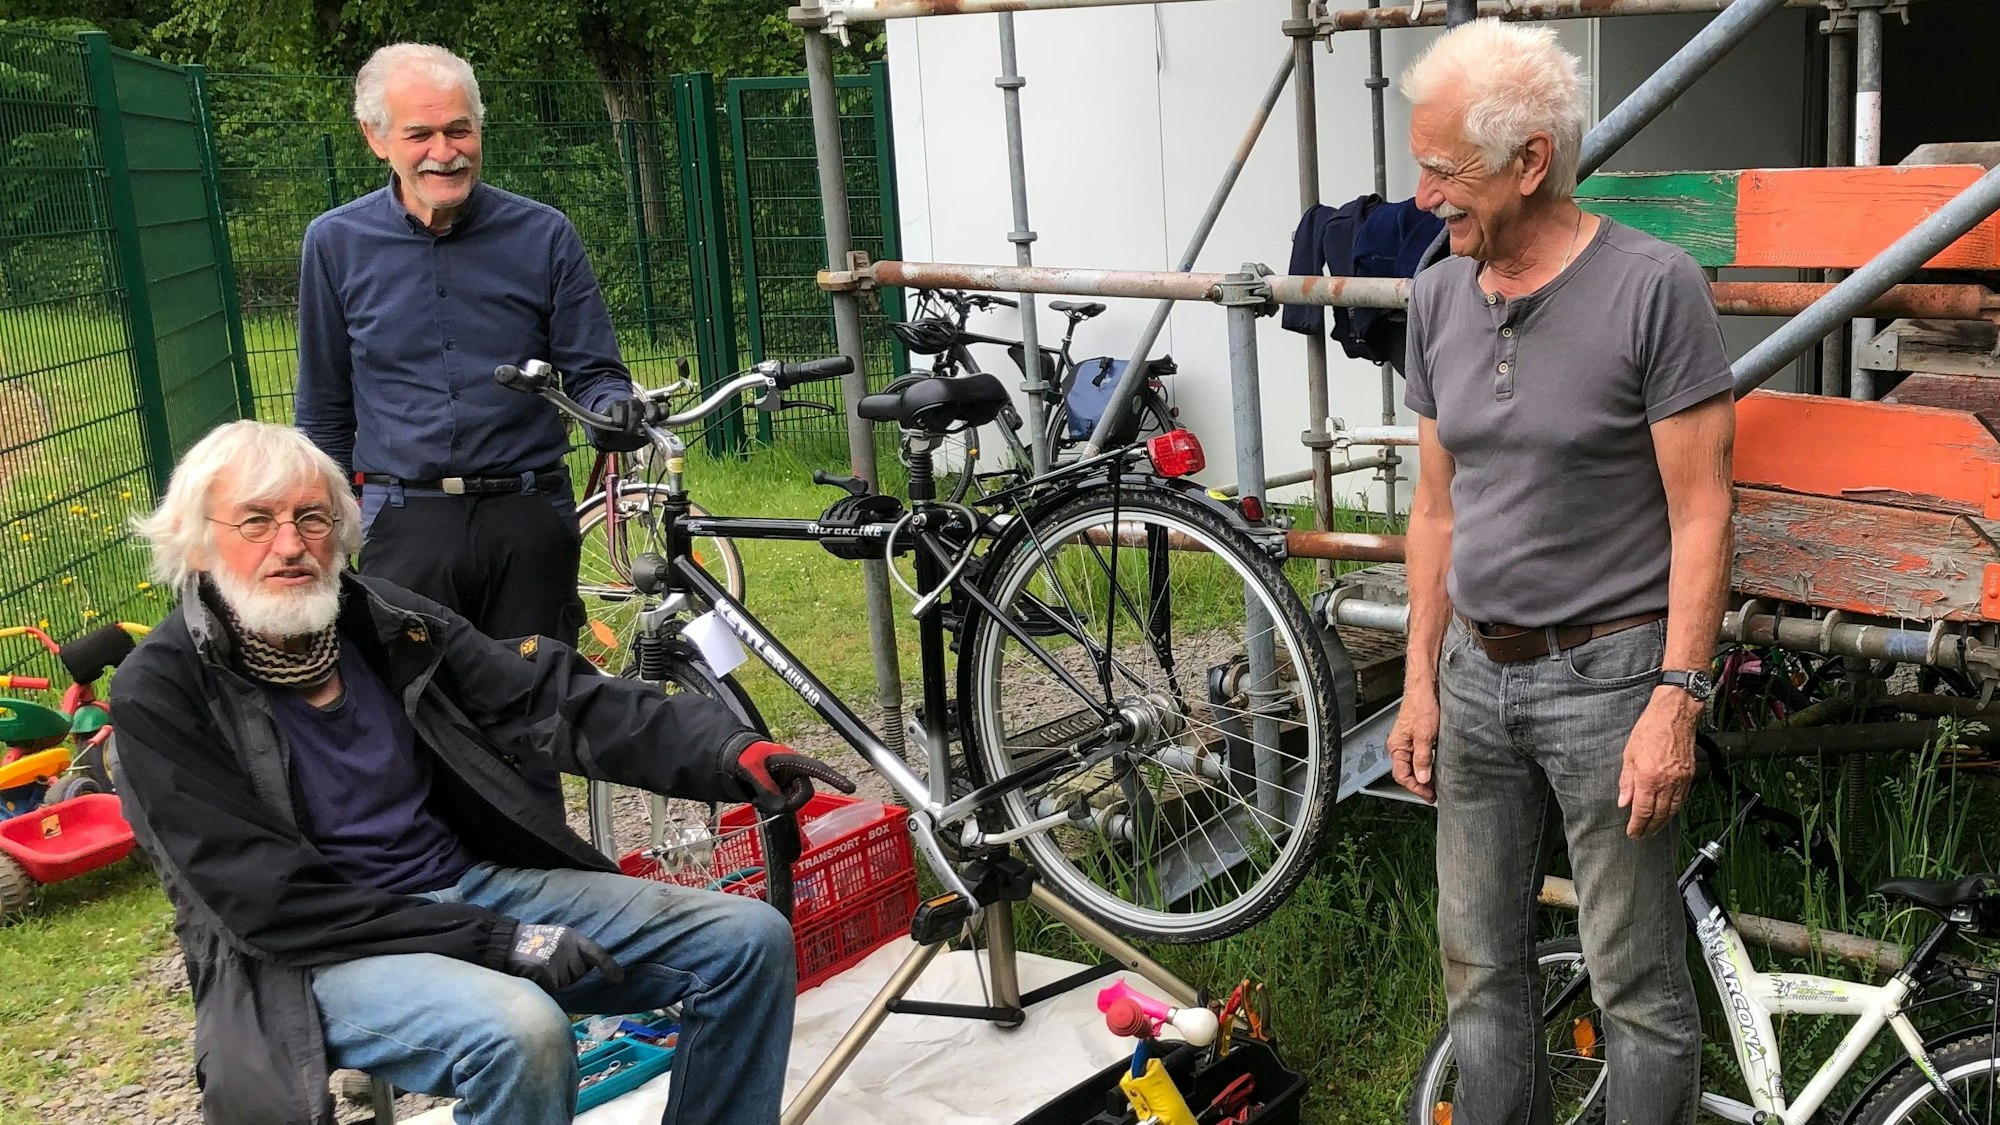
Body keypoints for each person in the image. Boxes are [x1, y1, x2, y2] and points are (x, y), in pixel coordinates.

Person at [112, 420, 851, 1125]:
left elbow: (545, 695)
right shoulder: (163, 689)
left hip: (467, 886)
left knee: (746, 940)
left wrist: (723, 751)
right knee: (522, 1030)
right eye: (256, 521)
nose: (291, 544)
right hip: (314, 951)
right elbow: (269, 902)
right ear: (198, 542)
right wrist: (498, 940)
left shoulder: (379, 617)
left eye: (312, 518)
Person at [1384, 20, 1735, 1125]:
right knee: (1480, 976)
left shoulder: (1651, 286)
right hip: (1471, 677)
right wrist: (1418, 680)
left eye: (1446, 170)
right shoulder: (1437, 293)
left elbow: (1701, 509)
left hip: (1609, 684)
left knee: (1633, 988)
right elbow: (1435, 508)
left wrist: (1673, 702)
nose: (1424, 195)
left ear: (1530, 160)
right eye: (1421, 163)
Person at [294, 42, 649, 658]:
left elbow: (593, 371)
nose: (444, 151)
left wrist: (614, 409)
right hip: (405, 521)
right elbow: (324, 407)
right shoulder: (334, 244)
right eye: (420, 134)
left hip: (529, 514)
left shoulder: (543, 235)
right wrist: (323, 524)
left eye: (459, 129)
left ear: (479, 128)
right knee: (417, 718)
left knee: (537, 714)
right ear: (376, 139)